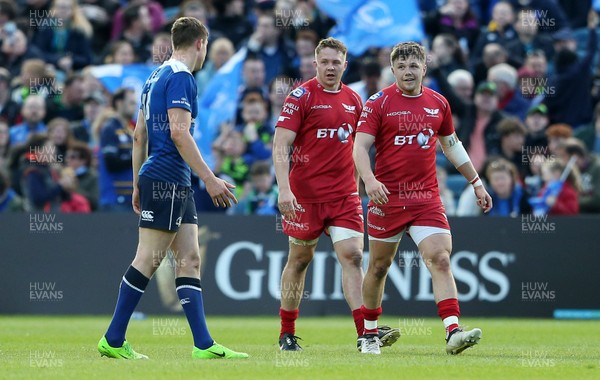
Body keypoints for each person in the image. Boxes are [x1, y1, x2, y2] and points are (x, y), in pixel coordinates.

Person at [97, 17, 247, 360]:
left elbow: (139, 135)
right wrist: (210, 178)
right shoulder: (181, 77)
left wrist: (137, 182)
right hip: (168, 176)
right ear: (201, 43)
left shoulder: (154, 77)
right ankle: (114, 339)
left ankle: (204, 345)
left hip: (169, 178)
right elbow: (180, 133)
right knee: (148, 258)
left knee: (190, 258)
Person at [353, 41, 493, 355]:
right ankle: (369, 334)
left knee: (441, 259)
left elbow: (452, 145)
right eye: (401, 67)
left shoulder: (438, 103)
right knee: (378, 267)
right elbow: (359, 148)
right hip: (387, 198)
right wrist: (370, 180)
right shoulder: (378, 103)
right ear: (393, 70)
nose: (407, 72)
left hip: (426, 198)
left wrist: (476, 182)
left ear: (423, 69)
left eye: (413, 66)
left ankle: (453, 331)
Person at [273, 37, 400, 352]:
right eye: (325, 62)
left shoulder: (355, 100)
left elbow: (361, 148)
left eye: (336, 62)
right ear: (315, 64)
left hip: (344, 197)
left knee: (354, 257)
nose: (330, 67)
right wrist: (284, 189)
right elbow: (280, 145)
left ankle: (364, 332)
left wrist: (361, 183)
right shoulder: (300, 97)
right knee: (300, 260)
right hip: (305, 197)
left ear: (345, 65)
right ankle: (286, 333)